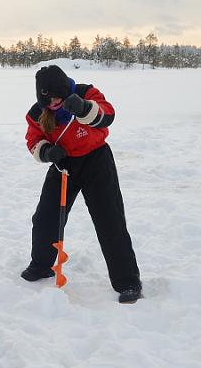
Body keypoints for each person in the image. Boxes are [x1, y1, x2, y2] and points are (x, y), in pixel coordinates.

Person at [21, 65, 142, 303]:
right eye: (48, 98)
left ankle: (127, 281)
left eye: (58, 96)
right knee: (45, 217)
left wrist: (85, 109)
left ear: (66, 89)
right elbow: (33, 140)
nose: (54, 102)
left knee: (110, 220)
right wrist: (46, 153)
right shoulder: (37, 113)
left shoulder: (87, 93)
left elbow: (108, 115)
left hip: (97, 160)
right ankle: (41, 264)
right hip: (63, 164)